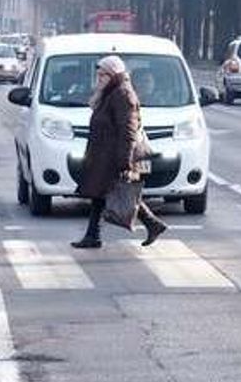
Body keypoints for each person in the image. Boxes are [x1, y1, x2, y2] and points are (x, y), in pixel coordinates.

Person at [71, 55, 168, 249]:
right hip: (105, 155)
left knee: (117, 192)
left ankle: (151, 224)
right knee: (102, 194)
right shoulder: (110, 92)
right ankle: (94, 236)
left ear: (112, 74)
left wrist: (124, 160)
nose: (98, 78)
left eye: (102, 74)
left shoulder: (123, 94)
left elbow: (129, 131)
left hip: (114, 156)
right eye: (98, 74)